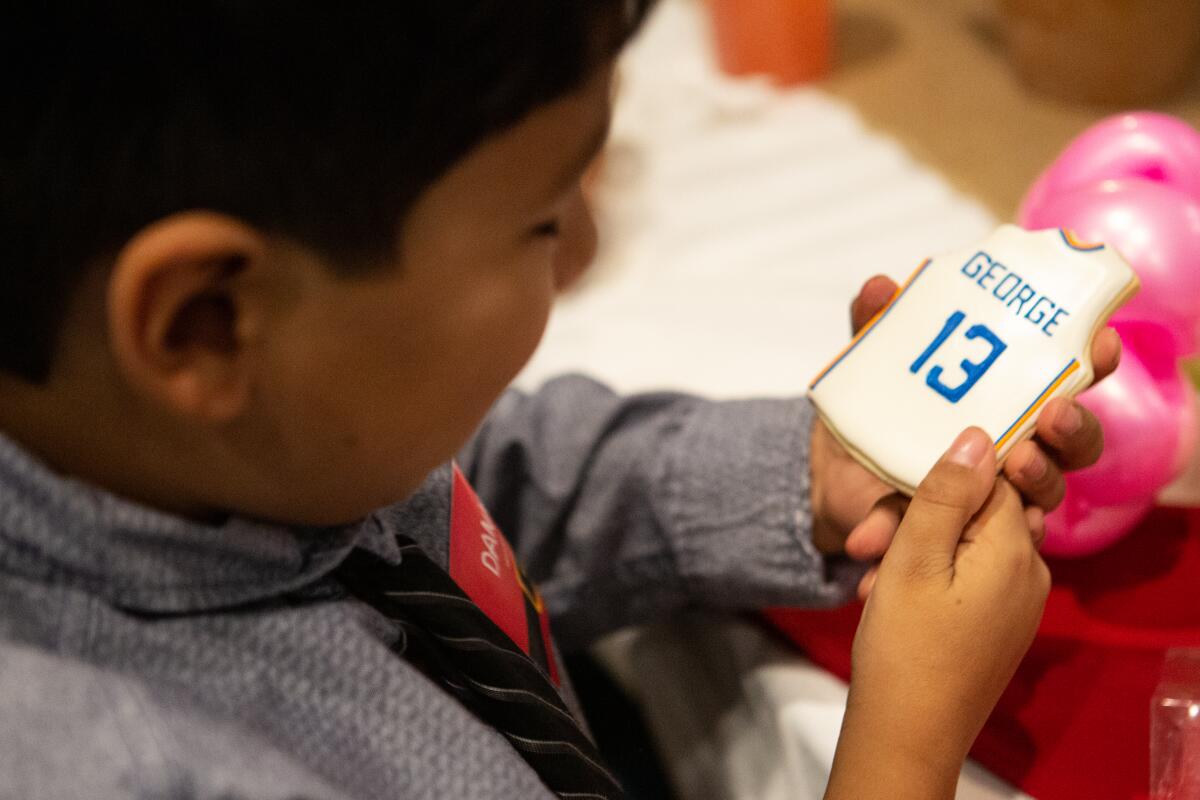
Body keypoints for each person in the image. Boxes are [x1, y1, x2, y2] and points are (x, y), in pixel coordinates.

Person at [0, 3, 1116, 798]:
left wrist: (809, 472)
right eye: (542, 218)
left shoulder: (274, 442)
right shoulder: (106, 759)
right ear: (204, 321)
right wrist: (904, 748)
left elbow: (502, 475)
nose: (582, 255)